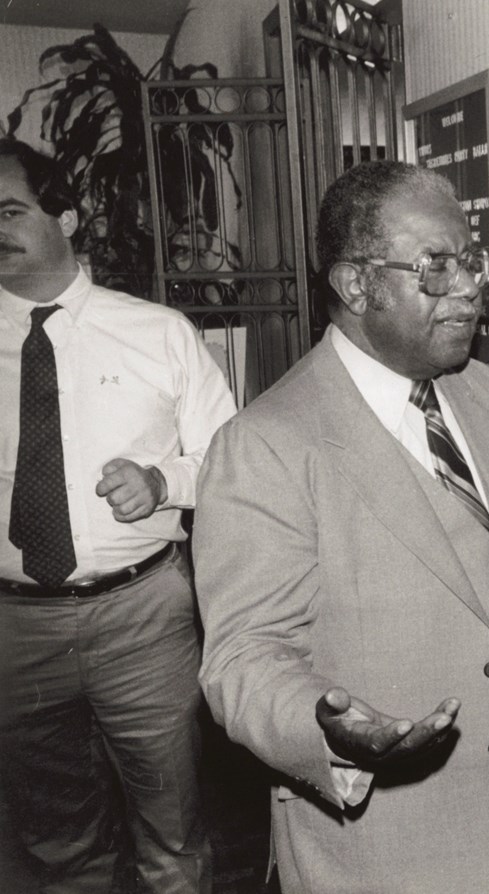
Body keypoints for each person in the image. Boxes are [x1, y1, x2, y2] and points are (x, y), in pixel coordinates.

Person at [193, 160, 489, 894]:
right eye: (435, 267)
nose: (470, 285)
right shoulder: (266, 444)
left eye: (471, 260)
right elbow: (243, 659)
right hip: (388, 849)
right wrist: (326, 728)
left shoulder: (484, 396)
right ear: (355, 285)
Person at [0, 138, 234, 892]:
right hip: (14, 629)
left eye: (9, 210)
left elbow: (232, 463)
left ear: (66, 216)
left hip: (143, 618)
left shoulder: (159, 333)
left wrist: (163, 481)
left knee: (173, 832)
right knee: (55, 837)